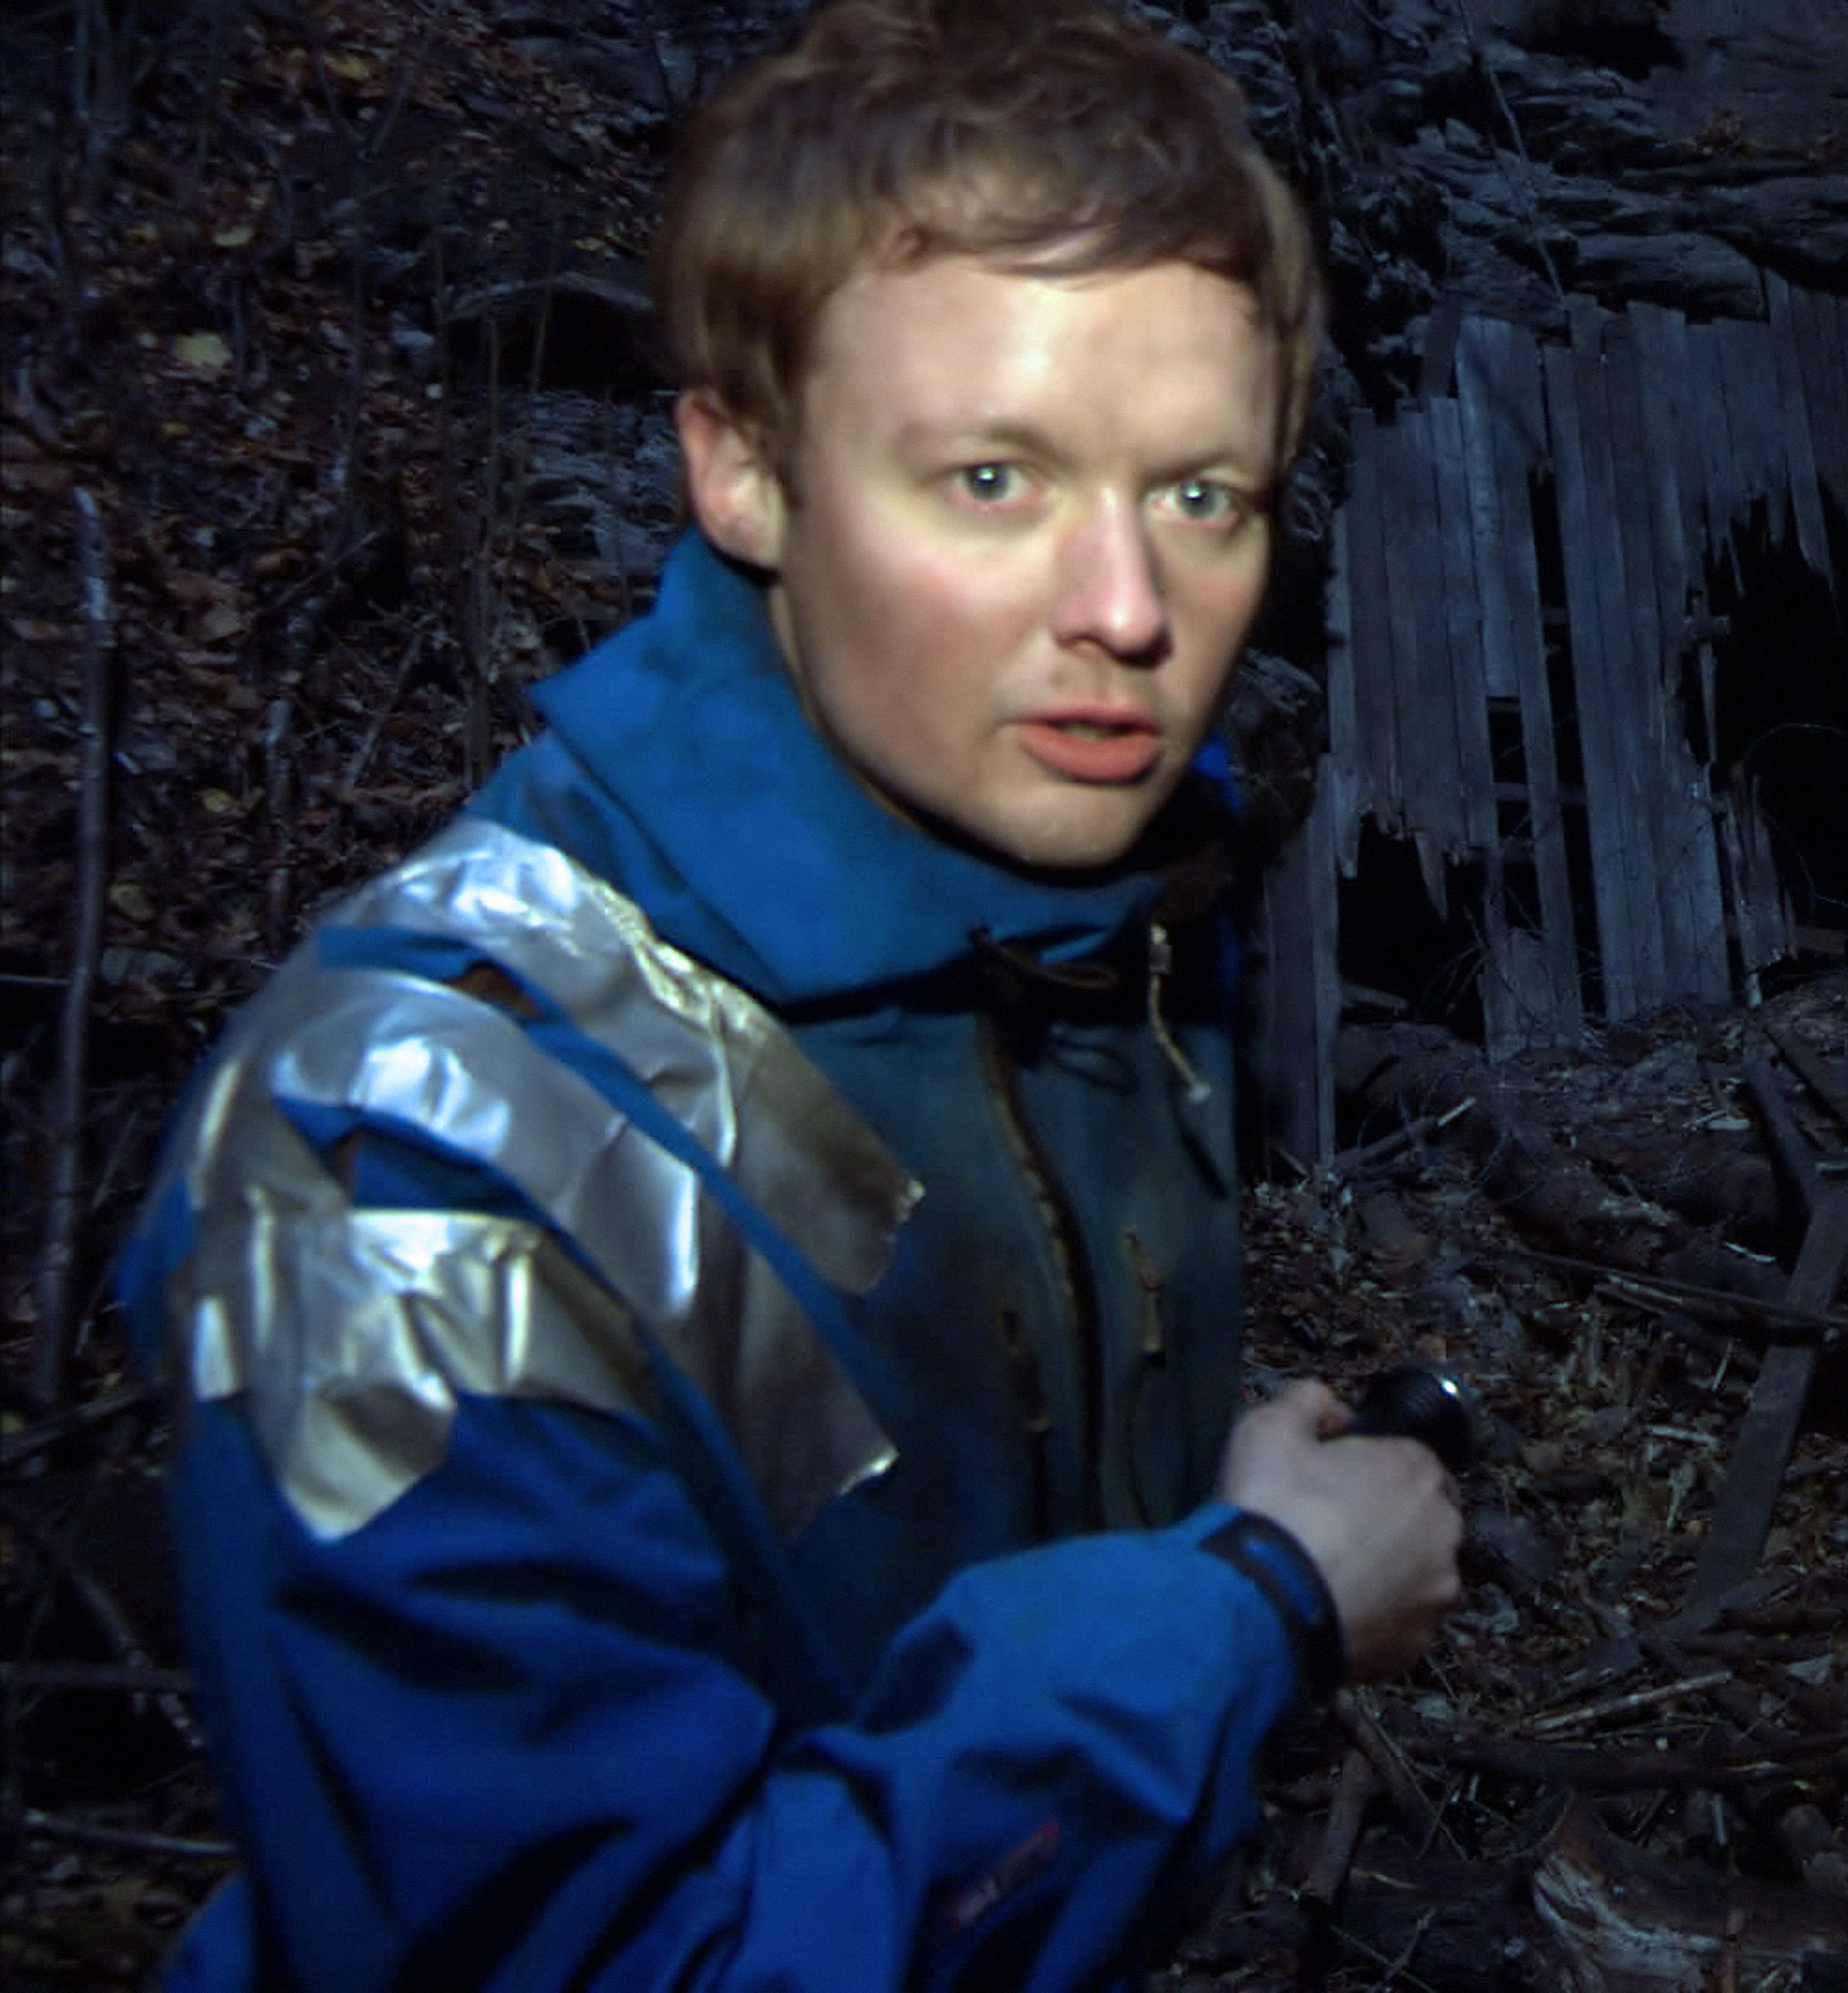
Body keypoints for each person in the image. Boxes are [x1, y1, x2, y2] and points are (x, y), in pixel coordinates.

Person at [114, 1, 1462, 1982]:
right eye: (992, 478)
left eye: (1200, 495)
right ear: (742, 470)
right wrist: (1245, 1613)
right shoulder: (410, 1167)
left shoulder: (1098, 909)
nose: (1127, 612)